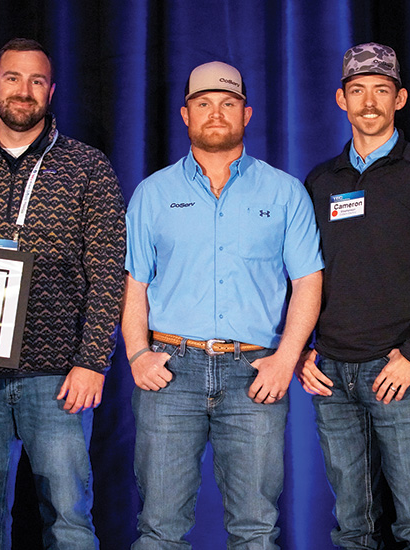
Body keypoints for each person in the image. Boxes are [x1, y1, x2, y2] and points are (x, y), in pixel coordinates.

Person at [0, 38, 126, 548]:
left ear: (51, 91)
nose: (24, 90)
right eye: (13, 78)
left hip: (58, 378)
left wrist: (91, 363)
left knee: (69, 522)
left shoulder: (87, 167)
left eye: (37, 81)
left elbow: (108, 271)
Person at [123, 60, 323, 548]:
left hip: (253, 374)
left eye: (228, 103)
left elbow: (308, 281)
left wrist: (286, 359)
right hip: (171, 370)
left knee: (256, 529)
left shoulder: (284, 192)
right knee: (159, 528)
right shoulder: (153, 193)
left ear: (247, 114)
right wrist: (136, 354)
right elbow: (134, 285)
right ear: (185, 115)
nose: (216, 113)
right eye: (204, 103)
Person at [299, 42, 410, 549]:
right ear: (341, 100)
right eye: (357, 90)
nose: (369, 101)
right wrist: (303, 349)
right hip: (332, 375)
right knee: (352, 527)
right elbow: (302, 275)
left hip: (400, 370)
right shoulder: (320, 182)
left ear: (400, 98)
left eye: (381, 90)